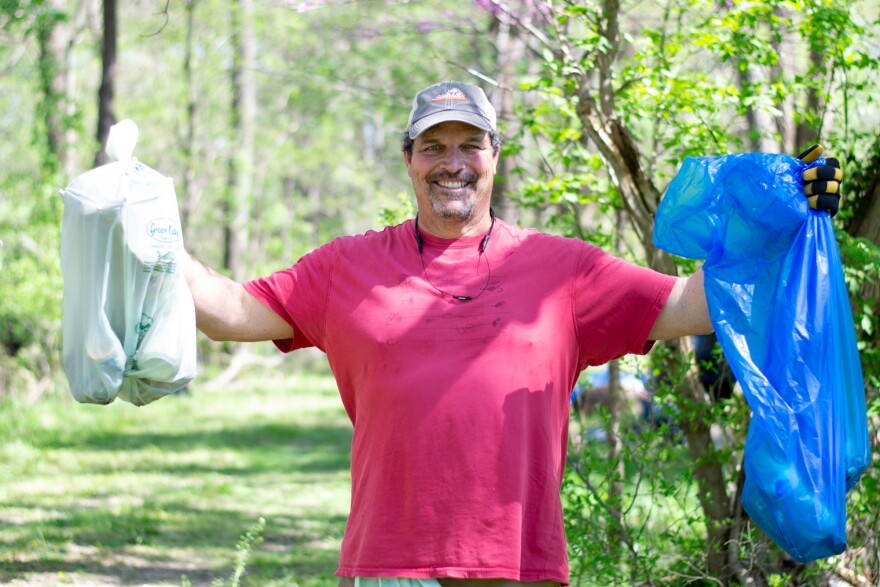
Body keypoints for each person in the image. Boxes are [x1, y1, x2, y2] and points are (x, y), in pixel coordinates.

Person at [183, 81, 842, 587]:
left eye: (469, 144)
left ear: (495, 155)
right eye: (433, 146)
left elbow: (690, 302)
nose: (452, 163)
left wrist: (787, 218)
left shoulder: (563, 270)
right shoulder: (346, 268)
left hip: (517, 560)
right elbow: (230, 309)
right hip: (391, 560)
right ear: (408, 159)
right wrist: (156, 245)